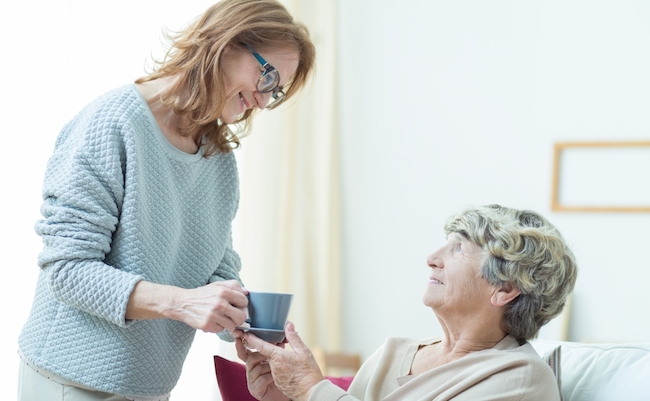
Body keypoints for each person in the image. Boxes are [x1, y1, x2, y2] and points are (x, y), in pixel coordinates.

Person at [17, 1, 315, 400]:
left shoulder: (218, 157)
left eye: (274, 91)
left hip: (149, 387)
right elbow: (67, 271)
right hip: (71, 380)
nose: (262, 101)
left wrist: (247, 326)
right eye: (268, 76)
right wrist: (182, 303)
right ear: (225, 43)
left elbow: (217, 268)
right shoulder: (112, 123)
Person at [236, 204, 578, 401]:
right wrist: (287, 397)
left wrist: (312, 389)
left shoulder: (521, 379)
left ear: (504, 289)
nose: (432, 258)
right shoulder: (392, 353)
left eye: (458, 248)